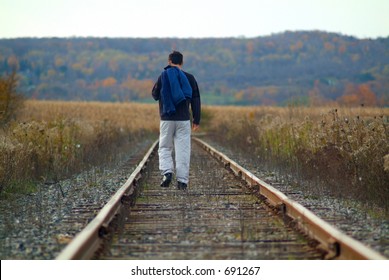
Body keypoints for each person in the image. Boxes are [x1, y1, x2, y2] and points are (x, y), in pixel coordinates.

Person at [152, 51, 201, 190]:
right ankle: (182, 181)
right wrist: (196, 119)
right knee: (183, 150)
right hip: (183, 119)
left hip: (167, 119)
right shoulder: (190, 78)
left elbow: (154, 94)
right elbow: (196, 100)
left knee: (165, 148)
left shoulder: (163, 76)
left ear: (169, 61)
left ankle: (167, 172)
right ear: (182, 62)